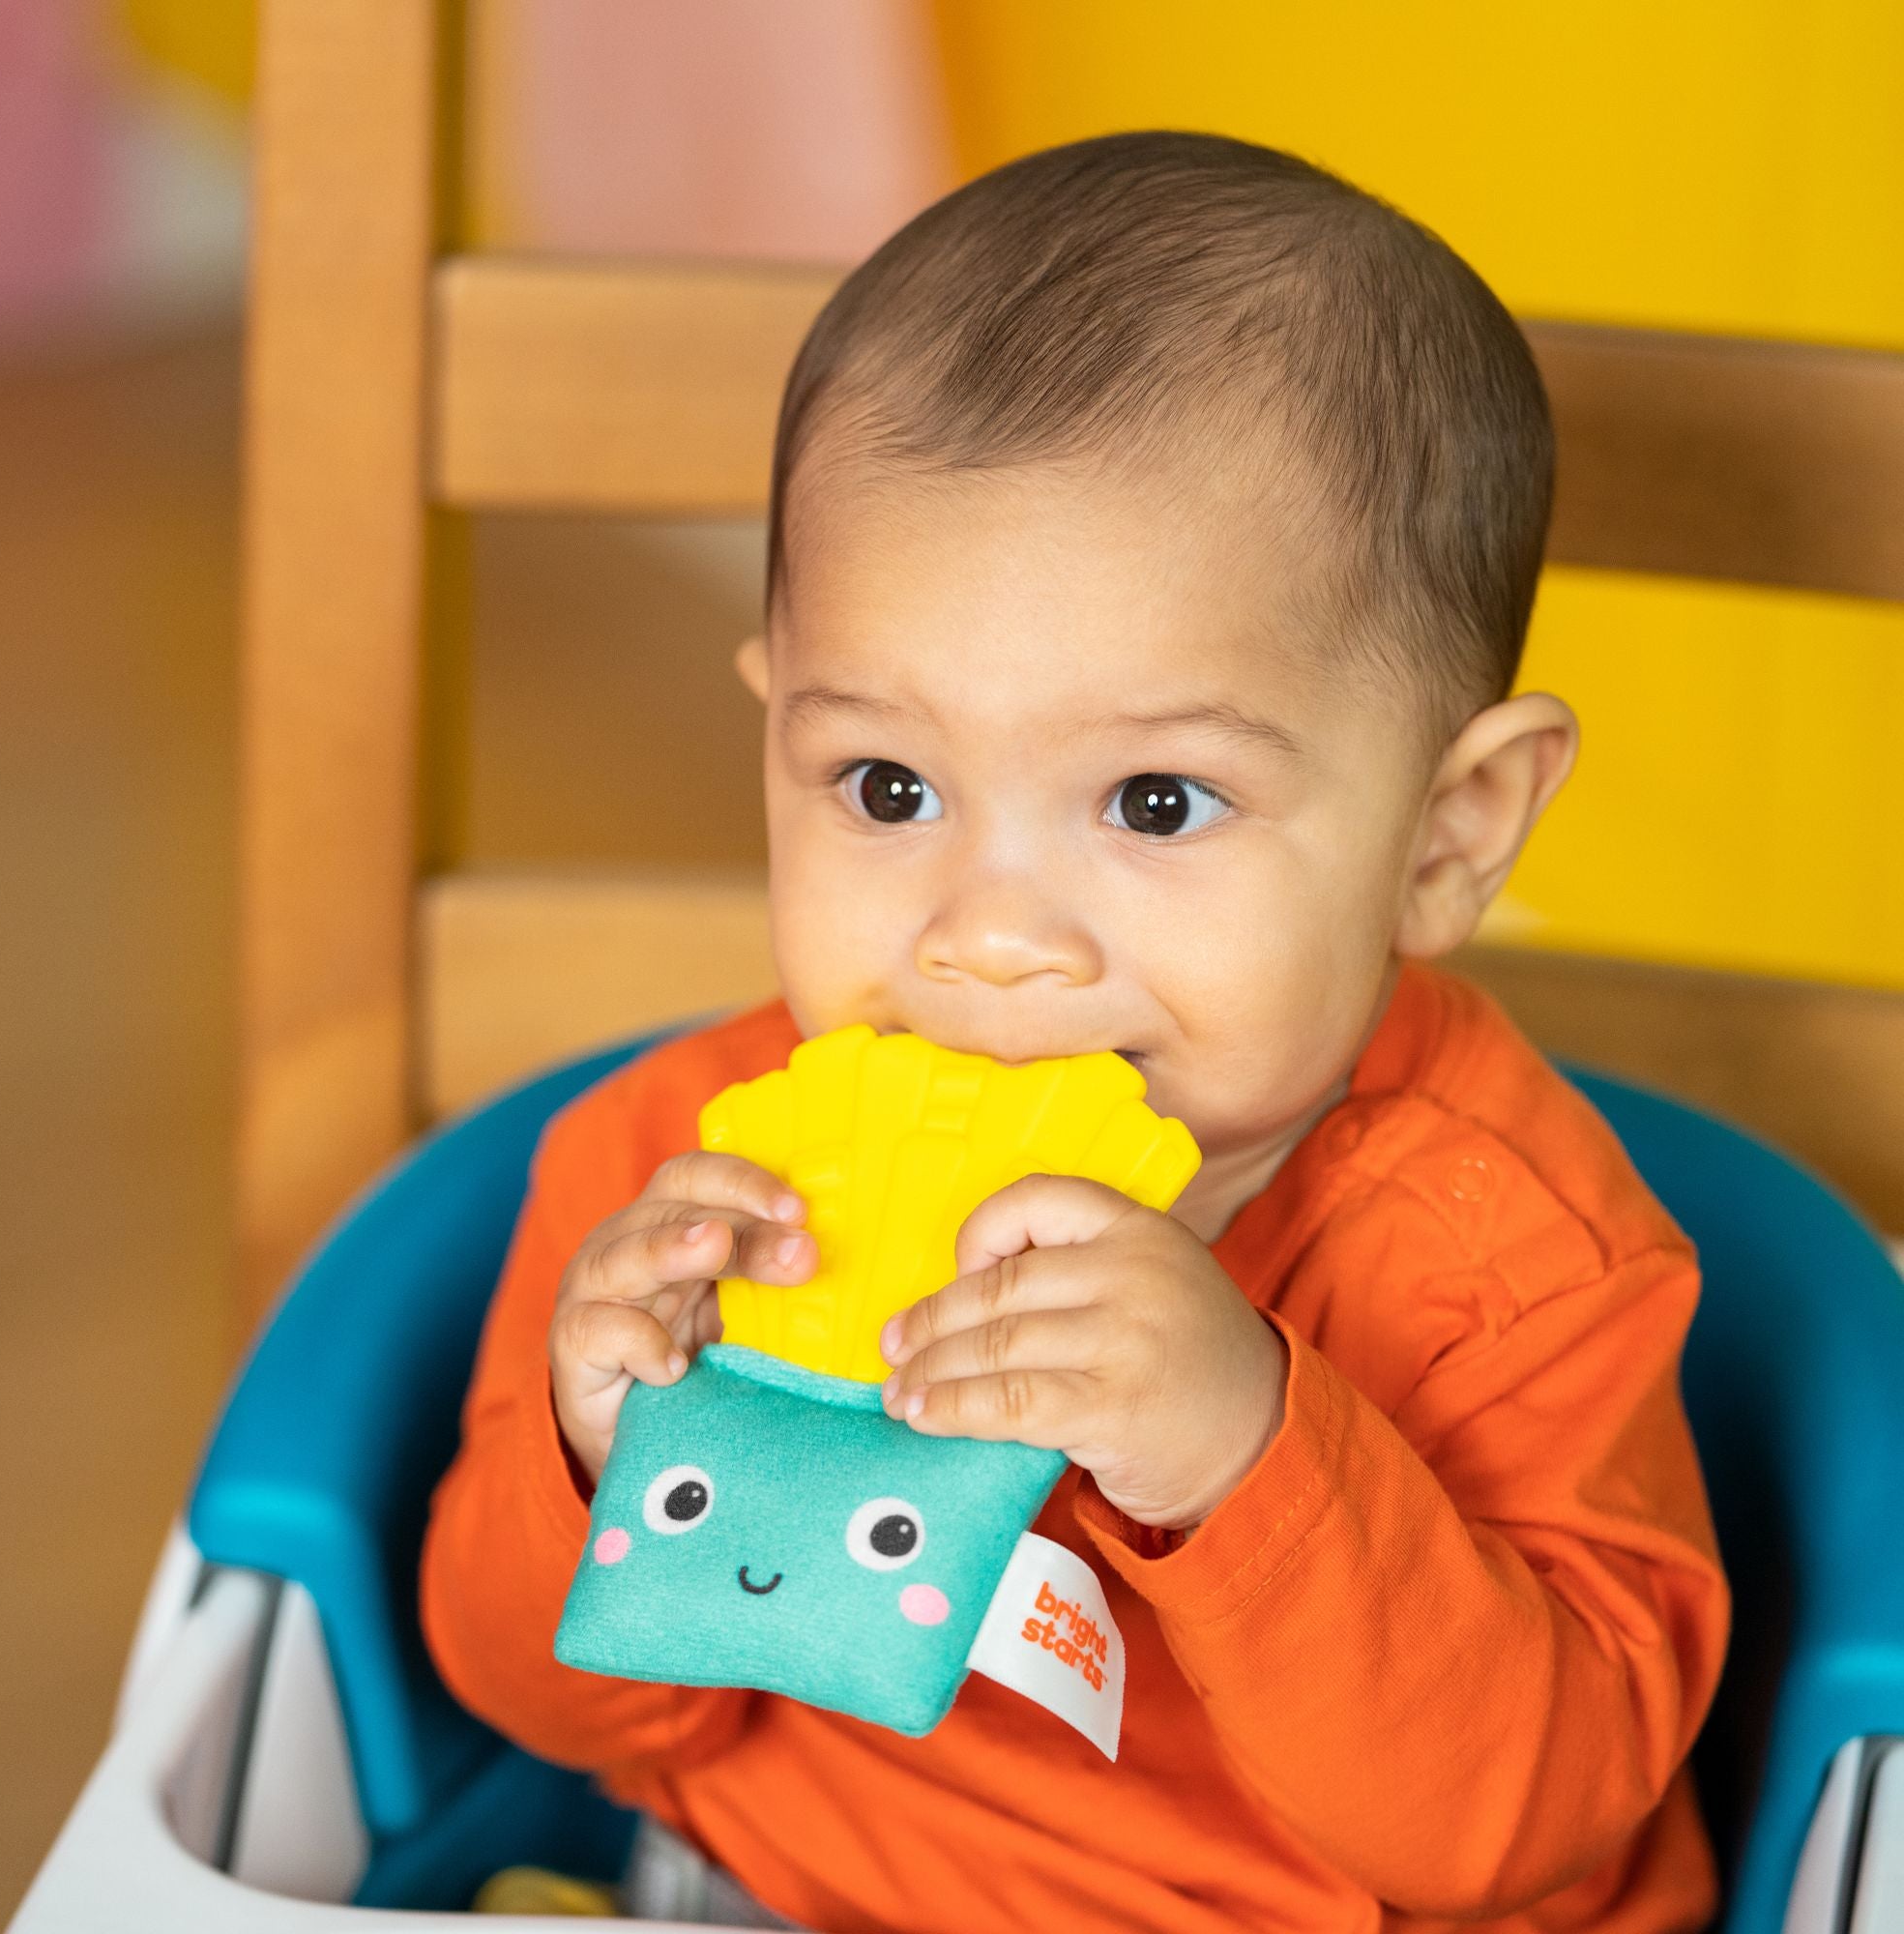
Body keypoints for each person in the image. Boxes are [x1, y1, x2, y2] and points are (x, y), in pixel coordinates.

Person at [421, 132, 1729, 1932]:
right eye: (886, 784)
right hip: (780, 1882)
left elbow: (1523, 1827)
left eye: (1159, 804)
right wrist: (596, 1460)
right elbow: (528, 1700)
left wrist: (1246, 1456)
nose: (995, 937)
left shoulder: (1511, 1266)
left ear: (1448, 835)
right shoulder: (674, 1175)